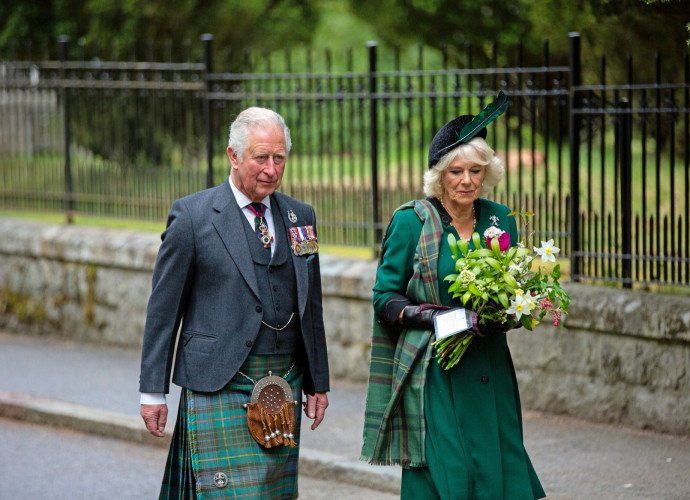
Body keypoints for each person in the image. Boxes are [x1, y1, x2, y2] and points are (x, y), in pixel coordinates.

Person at [139, 106, 329, 499]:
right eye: (261, 158)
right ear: (233, 155)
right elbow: (163, 309)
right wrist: (152, 392)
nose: (271, 170)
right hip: (217, 381)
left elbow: (311, 305)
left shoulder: (300, 217)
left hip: (283, 382)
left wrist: (318, 381)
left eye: (279, 158)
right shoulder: (192, 216)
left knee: (271, 493)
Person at [361, 93, 545, 499]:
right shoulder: (411, 222)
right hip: (435, 371)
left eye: (476, 171)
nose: (466, 180)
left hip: (488, 366)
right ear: (440, 175)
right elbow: (384, 298)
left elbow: (514, 283)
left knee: (499, 459)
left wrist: (512, 312)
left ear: (487, 172)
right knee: (451, 469)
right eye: (456, 171)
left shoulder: (501, 218)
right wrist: (438, 317)